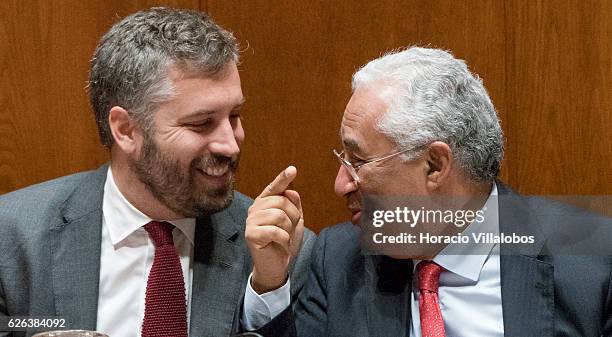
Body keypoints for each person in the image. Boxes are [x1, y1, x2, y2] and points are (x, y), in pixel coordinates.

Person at [244, 47, 612, 336]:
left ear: (435, 165)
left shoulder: (591, 263)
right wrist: (271, 283)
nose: (340, 184)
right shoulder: (339, 260)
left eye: (358, 161)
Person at [0, 7, 314, 337]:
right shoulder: (12, 236)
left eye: (234, 116)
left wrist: (268, 288)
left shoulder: (283, 249)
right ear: (126, 130)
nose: (230, 145)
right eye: (201, 123)